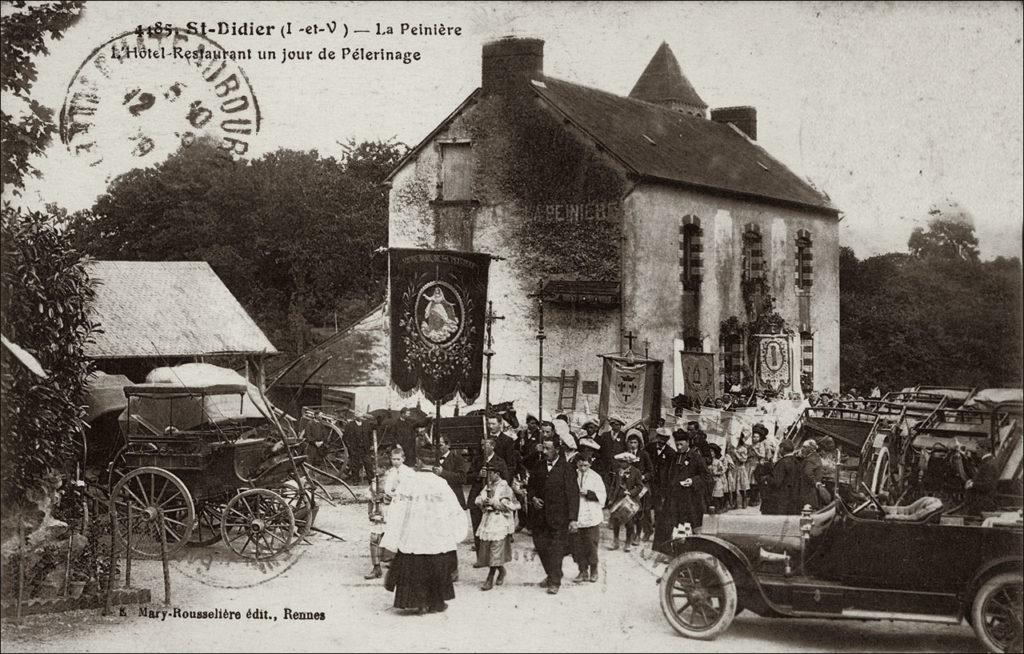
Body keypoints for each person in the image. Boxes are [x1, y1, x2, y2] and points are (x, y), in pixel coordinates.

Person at [380, 470, 466, 614]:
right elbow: (453, 509)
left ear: (418, 461)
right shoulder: (440, 483)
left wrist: (395, 532)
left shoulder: (408, 483)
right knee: (435, 567)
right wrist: (453, 531)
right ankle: (435, 603)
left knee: (415, 567)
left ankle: (418, 603)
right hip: (434, 534)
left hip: (413, 534)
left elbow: (397, 508)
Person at [531, 433, 580, 595]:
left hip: (560, 517)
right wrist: (533, 498)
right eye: (543, 448)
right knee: (541, 546)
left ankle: (555, 581)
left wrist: (573, 519)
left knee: (556, 549)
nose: (544, 451)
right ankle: (553, 573)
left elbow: (573, 495)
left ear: (557, 450)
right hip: (539, 517)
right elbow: (531, 486)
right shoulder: (538, 465)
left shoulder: (567, 469)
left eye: (548, 448)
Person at [365, 446, 416, 580]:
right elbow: (371, 493)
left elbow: (408, 493)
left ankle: (398, 566)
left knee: (398, 538)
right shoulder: (380, 478)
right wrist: (373, 500)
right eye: (393, 459)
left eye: (398, 459)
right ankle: (376, 568)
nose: (395, 462)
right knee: (375, 538)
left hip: (397, 511)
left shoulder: (407, 474)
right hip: (381, 511)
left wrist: (392, 497)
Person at [474, 464, 519, 590]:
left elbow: (509, 504)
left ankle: (490, 577)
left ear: (497, 474)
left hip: (500, 521)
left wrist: (494, 503)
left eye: (491, 473)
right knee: (489, 549)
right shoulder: (488, 485)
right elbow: (480, 497)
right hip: (489, 520)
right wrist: (482, 501)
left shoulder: (504, 487)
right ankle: (502, 570)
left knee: (496, 548)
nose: (488, 476)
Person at [469, 437, 510, 561]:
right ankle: (480, 558)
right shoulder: (477, 460)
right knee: (477, 526)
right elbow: (467, 477)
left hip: (493, 498)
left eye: (486, 445)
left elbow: (506, 479)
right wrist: (478, 475)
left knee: (492, 528)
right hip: (478, 496)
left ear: (492, 446)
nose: (483, 448)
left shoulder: (500, 462)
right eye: (482, 446)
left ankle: (493, 559)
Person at [665, 432, 709, 537]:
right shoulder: (674, 457)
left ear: (688, 443)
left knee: (690, 523)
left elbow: (706, 476)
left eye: (681, 445)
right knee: (676, 523)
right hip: (675, 496)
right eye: (677, 445)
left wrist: (693, 481)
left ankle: (689, 543)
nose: (679, 448)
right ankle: (678, 542)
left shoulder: (696, 457)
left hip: (691, 497)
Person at [572, 451, 606, 582]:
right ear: (577, 464)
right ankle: (582, 571)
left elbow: (602, 495)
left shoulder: (595, 477)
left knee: (591, 543)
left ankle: (594, 570)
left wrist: (589, 493)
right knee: (578, 544)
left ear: (590, 464)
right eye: (580, 465)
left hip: (591, 513)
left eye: (586, 465)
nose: (583, 468)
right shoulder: (573, 475)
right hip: (578, 513)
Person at [647, 427, 677, 547]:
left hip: (661, 486)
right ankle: (647, 530)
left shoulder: (671, 453)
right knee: (646, 508)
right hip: (649, 483)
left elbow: (671, 471)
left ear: (667, 439)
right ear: (656, 437)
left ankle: (658, 534)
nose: (661, 441)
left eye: (664, 439)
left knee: (659, 509)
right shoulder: (649, 448)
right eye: (659, 438)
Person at [609, 452, 644, 552]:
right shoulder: (617, 471)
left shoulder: (636, 472)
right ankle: (615, 541)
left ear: (629, 462)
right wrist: (611, 498)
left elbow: (640, 486)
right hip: (618, 499)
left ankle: (628, 542)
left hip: (630, 500)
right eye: (620, 462)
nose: (621, 464)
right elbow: (613, 485)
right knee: (616, 520)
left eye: (623, 462)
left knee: (629, 522)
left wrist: (631, 492)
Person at [762, 440, 801, 514]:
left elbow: (776, 481)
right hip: (793, 497)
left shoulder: (782, 463)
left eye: (779, 448)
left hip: (781, 498)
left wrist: (766, 478)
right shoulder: (797, 462)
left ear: (782, 449)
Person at [432, 434, 468, 510]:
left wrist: (443, 473)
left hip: (454, 499)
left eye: (440, 445)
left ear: (448, 445)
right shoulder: (432, 459)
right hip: (437, 499)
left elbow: (462, 478)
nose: (437, 448)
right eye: (435, 446)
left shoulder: (457, 458)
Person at [965, 443, 1000, 515]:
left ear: (985, 449)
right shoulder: (989, 461)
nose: (976, 450)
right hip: (983, 501)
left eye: (978, 448)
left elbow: (988, 485)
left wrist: (972, 484)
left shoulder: (988, 464)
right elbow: (984, 479)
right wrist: (972, 481)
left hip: (982, 503)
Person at [799, 439, 828, 510]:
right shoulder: (815, 457)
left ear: (810, 449)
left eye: (804, 447)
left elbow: (807, 473)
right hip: (813, 490)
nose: (802, 449)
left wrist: (815, 483)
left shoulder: (811, 459)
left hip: (808, 491)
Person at [748, 426, 769, 506]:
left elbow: (762, 455)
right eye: (754, 437)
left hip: (756, 464)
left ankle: (755, 499)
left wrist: (755, 451)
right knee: (749, 482)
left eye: (757, 437)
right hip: (750, 463)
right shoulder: (750, 445)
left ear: (760, 438)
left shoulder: (760, 445)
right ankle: (751, 498)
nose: (755, 438)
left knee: (755, 483)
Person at [733, 435, 751, 509]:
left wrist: (736, 453)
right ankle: (735, 503)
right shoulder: (733, 448)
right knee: (734, 486)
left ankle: (744, 501)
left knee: (742, 486)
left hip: (741, 469)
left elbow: (743, 459)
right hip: (734, 469)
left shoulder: (743, 449)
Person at [708, 444, 727, 513]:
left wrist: (716, 473)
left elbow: (722, 470)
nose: (711, 453)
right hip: (710, 479)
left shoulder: (718, 461)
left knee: (718, 494)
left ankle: (720, 507)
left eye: (712, 451)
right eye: (709, 451)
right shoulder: (708, 461)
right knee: (712, 494)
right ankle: (713, 507)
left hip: (717, 479)